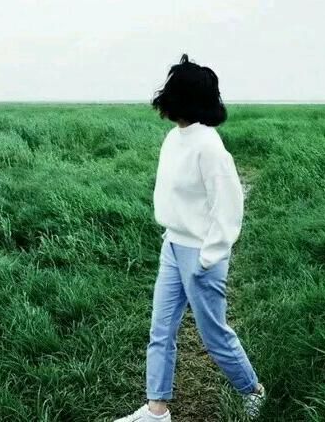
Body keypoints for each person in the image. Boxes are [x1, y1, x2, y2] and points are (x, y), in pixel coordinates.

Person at [114, 54, 266, 422]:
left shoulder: (209, 147)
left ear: (182, 99)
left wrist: (209, 258)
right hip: (172, 246)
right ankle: (157, 411)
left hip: (201, 254)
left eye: (169, 91)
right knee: (161, 330)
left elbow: (229, 208)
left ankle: (253, 392)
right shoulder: (174, 138)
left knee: (213, 334)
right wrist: (172, 238)